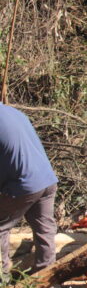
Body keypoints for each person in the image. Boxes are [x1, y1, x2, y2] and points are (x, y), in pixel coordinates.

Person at [0, 103, 58, 278]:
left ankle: (1, 280)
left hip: (23, 184)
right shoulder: (12, 112)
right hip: (47, 179)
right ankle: (45, 282)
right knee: (45, 230)